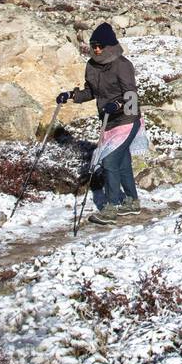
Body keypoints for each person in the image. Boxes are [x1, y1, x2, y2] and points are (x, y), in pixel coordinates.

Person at [57, 23, 146, 225]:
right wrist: (71, 95)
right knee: (122, 163)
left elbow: (131, 95)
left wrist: (117, 105)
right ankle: (132, 202)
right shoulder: (91, 66)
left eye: (101, 45)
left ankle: (111, 207)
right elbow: (91, 92)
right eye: (94, 45)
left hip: (127, 120)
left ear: (111, 45)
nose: (97, 49)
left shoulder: (122, 65)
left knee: (109, 161)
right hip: (108, 122)